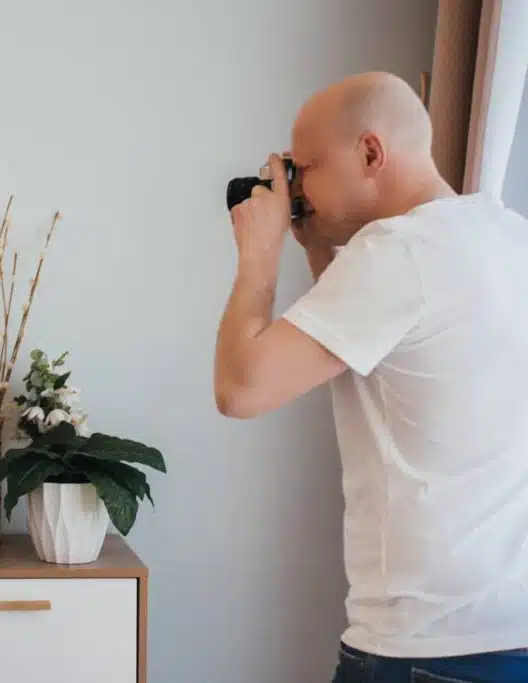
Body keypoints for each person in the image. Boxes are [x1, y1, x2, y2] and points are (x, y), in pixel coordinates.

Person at [214, 71, 528, 682]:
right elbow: (383, 344)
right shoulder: (509, 237)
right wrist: (315, 249)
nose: (297, 187)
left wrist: (258, 257)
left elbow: (240, 389)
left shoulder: (395, 252)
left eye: (304, 167)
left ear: (369, 152)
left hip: (423, 651)